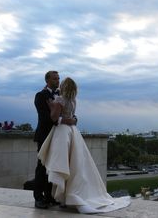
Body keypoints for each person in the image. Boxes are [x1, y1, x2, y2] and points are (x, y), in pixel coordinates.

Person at [38, 77, 130, 214]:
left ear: (63, 86)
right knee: (75, 165)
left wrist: (53, 107)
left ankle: (62, 197)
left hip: (62, 133)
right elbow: (73, 117)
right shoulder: (73, 101)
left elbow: (54, 118)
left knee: (63, 164)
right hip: (73, 132)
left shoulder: (59, 100)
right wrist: (71, 120)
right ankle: (67, 197)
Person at [33, 70, 63, 209]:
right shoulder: (40, 96)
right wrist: (61, 119)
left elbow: (69, 111)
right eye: (55, 78)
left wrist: (71, 119)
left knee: (53, 167)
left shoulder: (61, 96)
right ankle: (38, 197)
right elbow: (45, 118)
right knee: (42, 167)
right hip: (45, 136)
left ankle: (49, 196)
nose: (57, 80)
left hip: (58, 137)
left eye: (58, 78)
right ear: (47, 80)